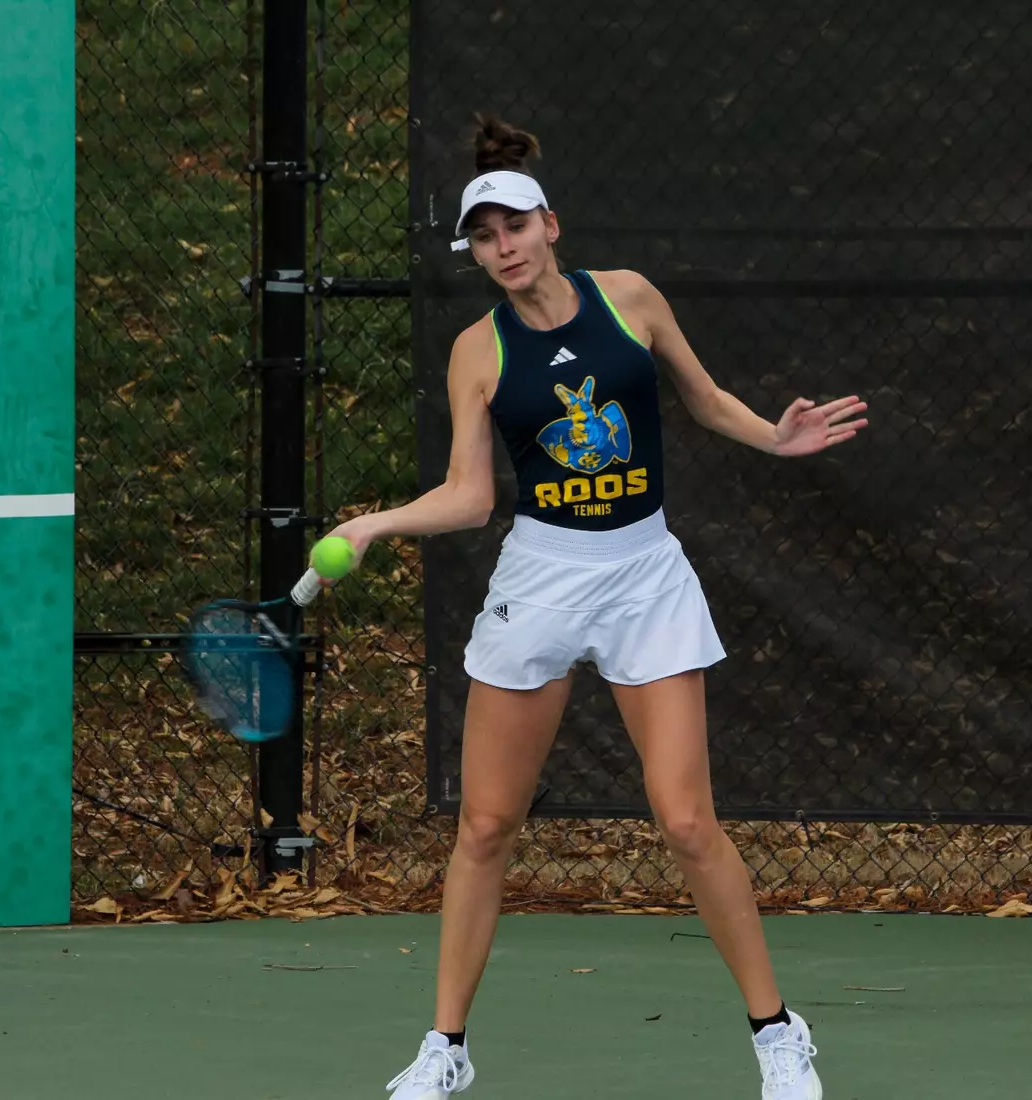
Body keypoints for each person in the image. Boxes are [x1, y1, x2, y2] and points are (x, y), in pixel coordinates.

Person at [316, 115, 869, 1100]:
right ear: (477, 252)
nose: (504, 247)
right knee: (486, 826)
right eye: (484, 237)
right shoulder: (475, 353)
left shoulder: (628, 301)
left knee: (688, 820)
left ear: (550, 224)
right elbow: (473, 494)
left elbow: (703, 400)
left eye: (515, 226)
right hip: (542, 577)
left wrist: (773, 439)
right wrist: (375, 523)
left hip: (645, 573)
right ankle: (446, 1046)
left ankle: (778, 1032)